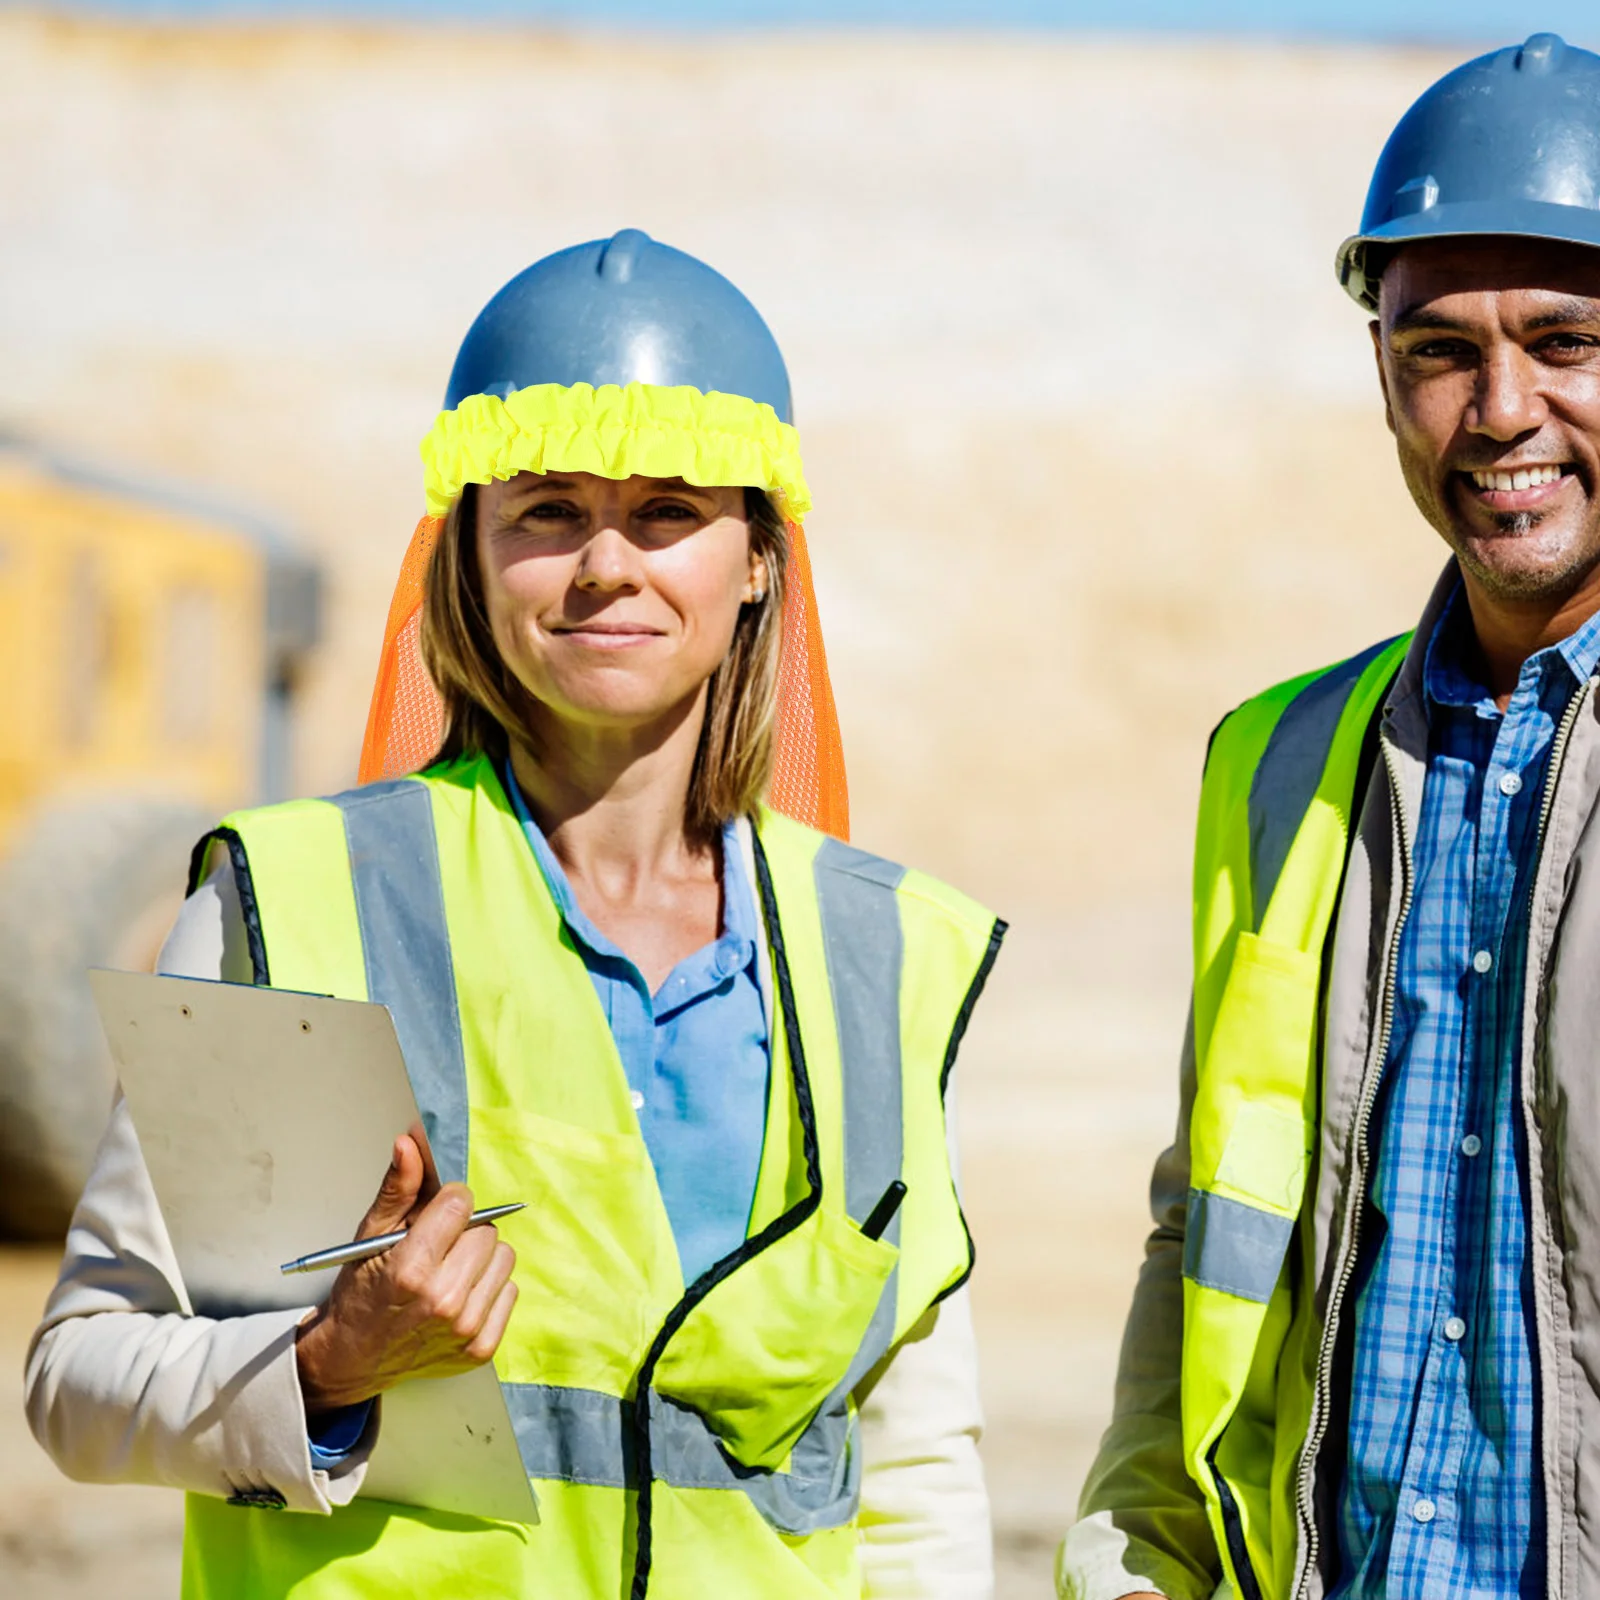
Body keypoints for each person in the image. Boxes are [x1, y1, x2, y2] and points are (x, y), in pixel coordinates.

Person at [26, 230, 1005, 1600]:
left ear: (761, 563)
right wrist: (327, 1365)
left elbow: (908, 1468)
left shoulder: (879, 951)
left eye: (668, 510)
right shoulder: (293, 907)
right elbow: (79, 1376)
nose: (608, 563)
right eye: (546, 510)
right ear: (469, 555)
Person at [1057, 32, 1600, 1600]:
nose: (1501, 411)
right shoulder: (1284, 761)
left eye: (1565, 339)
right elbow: (1206, 1252)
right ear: (1380, 372)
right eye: (1439, 350)